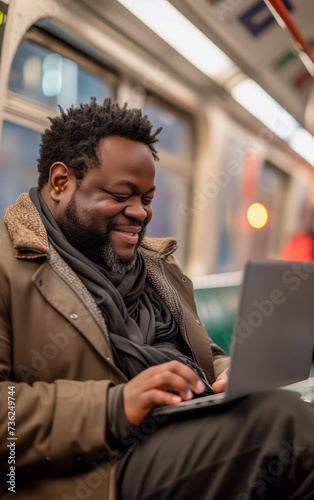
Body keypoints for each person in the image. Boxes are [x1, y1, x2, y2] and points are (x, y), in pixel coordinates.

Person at [0, 98, 314, 500]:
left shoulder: (155, 267)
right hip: (97, 469)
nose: (140, 213)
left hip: (175, 427)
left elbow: (202, 355)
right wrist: (114, 408)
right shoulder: (11, 266)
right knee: (285, 427)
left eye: (146, 199)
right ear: (61, 182)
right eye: (121, 194)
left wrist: (226, 370)